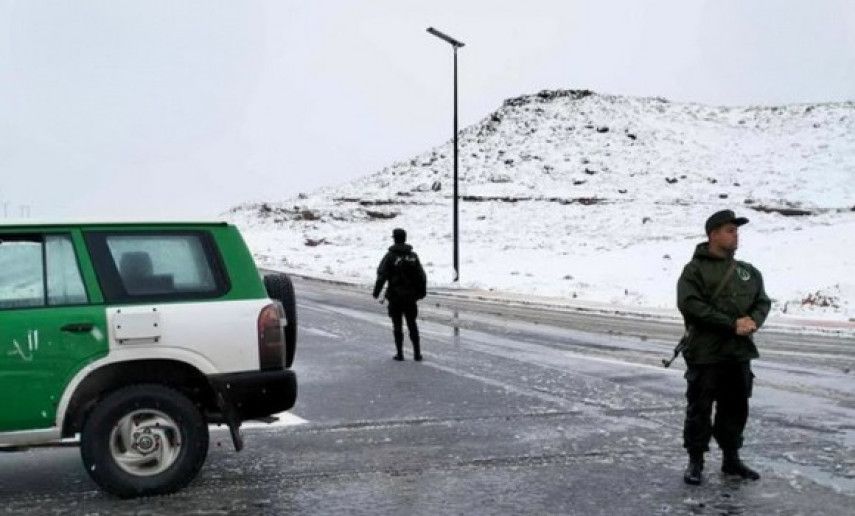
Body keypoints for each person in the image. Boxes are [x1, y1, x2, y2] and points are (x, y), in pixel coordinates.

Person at [677, 209, 771, 485]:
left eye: (736, 230)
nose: (735, 235)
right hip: (705, 354)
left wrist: (752, 321)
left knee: (736, 408)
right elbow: (691, 306)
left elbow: (763, 301)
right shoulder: (694, 270)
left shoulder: (748, 272)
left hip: (738, 354)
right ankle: (696, 461)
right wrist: (731, 324)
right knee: (699, 409)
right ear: (713, 234)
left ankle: (731, 460)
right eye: (730, 230)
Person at [372, 228, 427, 361]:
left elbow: (382, 275)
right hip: (410, 297)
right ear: (405, 238)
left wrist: (376, 292)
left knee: (397, 325)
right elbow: (422, 276)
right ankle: (417, 354)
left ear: (394, 239)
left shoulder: (390, 256)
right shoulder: (413, 256)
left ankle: (400, 354)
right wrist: (421, 293)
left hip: (395, 297)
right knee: (412, 324)